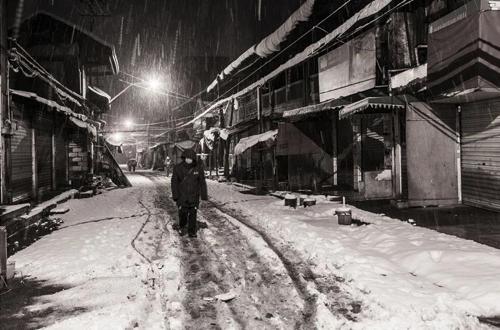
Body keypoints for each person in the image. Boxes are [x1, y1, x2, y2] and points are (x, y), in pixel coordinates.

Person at [171, 149, 208, 238]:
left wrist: (203, 195)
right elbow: (174, 182)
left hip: (194, 196)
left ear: (193, 159)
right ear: (184, 158)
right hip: (182, 196)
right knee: (182, 213)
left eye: (190, 158)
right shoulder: (178, 168)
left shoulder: (198, 168)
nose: (188, 160)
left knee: (193, 214)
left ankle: (192, 231)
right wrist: (175, 196)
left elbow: (202, 182)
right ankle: (182, 227)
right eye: (187, 158)